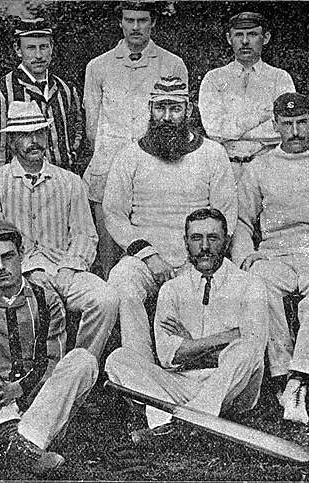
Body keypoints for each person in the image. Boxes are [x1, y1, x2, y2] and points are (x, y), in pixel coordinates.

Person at [233, 93, 309, 424]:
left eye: (302, 122)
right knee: (258, 285)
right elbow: (243, 222)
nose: (296, 131)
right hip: (276, 253)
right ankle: (280, 372)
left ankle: (299, 379)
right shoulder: (260, 166)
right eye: (287, 124)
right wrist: (245, 258)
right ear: (275, 125)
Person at [0, 220, 97, 475]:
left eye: (8, 257)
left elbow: (52, 362)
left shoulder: (46, 299)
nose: (1, 267)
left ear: (21, 255)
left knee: (83, 359)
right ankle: (15, 443)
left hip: (38, 415)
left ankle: (3, 449)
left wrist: (16, 390)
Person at [103, 76, 237, 360]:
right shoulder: (129, 156)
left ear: (188, 110)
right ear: (149, 109)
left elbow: (226, 215)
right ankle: (139, 368)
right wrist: (148, 255)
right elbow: (114, 215)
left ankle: (197, 367)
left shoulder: (213, 155)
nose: (166, 117)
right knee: (122, 280)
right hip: (146, 259)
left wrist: (198, 257)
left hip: (198, 257)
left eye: (175, 109)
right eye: (160, 109)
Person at [106, 208, 268, 441]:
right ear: (185, 242)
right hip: (181, 384)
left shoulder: (250, 285)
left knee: (246, 350)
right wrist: (225, 338)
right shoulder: (172, 289)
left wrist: (191, 346)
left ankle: (174, 425)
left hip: (231, 388)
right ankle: (183, 424)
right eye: (196, 238)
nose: (204, 247)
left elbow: (253, 346)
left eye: (213, 238)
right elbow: (167, 357)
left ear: (227, 241)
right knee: (119, 359)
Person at [0, 101, 119, 361]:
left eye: (39, 133)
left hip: (66, 271)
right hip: (18, 275)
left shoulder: (70, 182)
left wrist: (68, 269)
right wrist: (30, 271)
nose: (34, 141)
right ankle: (37, 378)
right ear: (11, 142)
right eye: (24, 135)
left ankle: (79, 368)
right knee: (30, 303)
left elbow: (85, 235)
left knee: (105, 299)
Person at [83, 1, 189, 277]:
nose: (135, 27)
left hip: (155, 168)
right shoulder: (98, 66)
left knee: (156, 250)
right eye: (129, 20)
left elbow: (178, 119)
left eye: (142, 20)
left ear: (153, 22)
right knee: (107, 255)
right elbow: (92, 125)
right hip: (107, 169)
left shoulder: (172, 63)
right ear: (120, 22)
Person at [199, 11, 296, 182]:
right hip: (225, 169)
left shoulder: (280, 78)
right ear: (229, 38)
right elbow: (214, 130)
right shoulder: (214, 78)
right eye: (239, 35)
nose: (245, 41)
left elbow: (284, 128)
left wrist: (234, 130)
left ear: (265, 38)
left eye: (252, 34)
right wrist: (262, 116)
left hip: (268, 168)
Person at [0, 18, 84, 175]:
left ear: (52, 47)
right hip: (19, 185)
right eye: (31, 48)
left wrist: (70, 159)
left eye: (43, 47)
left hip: (62, 182)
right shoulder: (1, 90)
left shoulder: (65, 88)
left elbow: (77, 132)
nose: (38, 55)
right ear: (18, 50)